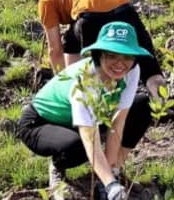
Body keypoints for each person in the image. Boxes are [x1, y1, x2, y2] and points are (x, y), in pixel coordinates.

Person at [16, 21, 152, 200]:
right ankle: (58, 166)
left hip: (91, 117)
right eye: (112, 56)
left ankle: (112, 170)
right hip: (41, 123)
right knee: (77, 145)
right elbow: (90, 139)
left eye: (127, 57)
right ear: (99, 55)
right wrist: (110, 185)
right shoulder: (85, 82)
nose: (120, 64)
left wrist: (112, 174)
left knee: (142, 105)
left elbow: (118, 122)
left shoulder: (132, 71)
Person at [13, 0, 167, 101]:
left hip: (92, 17)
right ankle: (161, 103)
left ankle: (76, 92)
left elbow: (54, 50)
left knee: (99, 66)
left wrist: (58, 82)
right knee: (148, 61)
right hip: (125, 9)